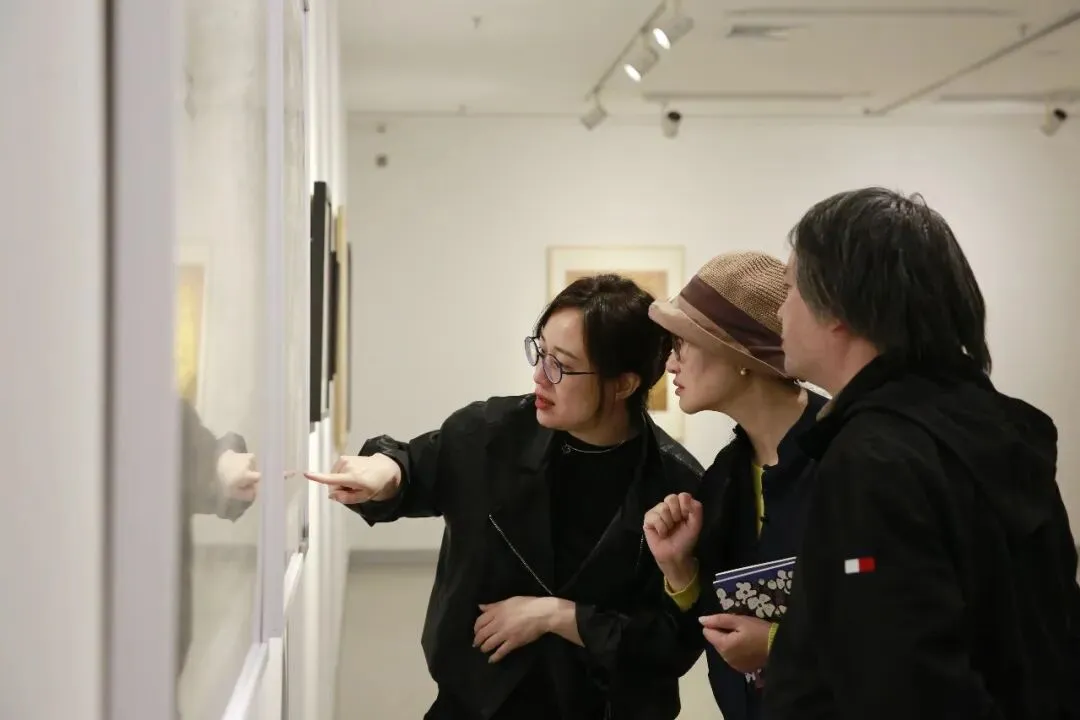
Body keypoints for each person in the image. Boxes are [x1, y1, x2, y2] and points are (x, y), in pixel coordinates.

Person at [306, 274, 704, 720]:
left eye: (561, 365)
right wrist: (386, 471)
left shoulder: (676, 487)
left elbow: (671, 642)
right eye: (540, 352)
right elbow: (417, 466)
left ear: (624, 384)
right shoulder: (492, 433)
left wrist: (558, 616)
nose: (539, 376)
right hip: (475, 703)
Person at [764, 187, 1080, 720]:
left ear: (836, 306)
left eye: (790, 288)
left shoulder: (875, 457)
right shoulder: (996, 430)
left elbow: (900, 679)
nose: (779, 309)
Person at [640, 251, 826, 720]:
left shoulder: (849, 457)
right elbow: (717, 625)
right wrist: (680, 568)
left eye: (681, 344)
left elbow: (898, 619)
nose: (670, 364)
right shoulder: (724, 476)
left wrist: (779, 644)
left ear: (737, 354)